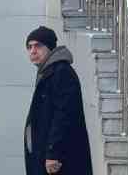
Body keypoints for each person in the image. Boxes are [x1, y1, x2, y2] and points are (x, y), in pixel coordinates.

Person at [24, 27, 92, 175]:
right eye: (29, 47)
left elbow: (64, 114)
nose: (33, 51)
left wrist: (52, 152)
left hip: (60, 160)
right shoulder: (48, 72)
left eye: (38, 46)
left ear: (49, 47)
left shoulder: (61, 72)